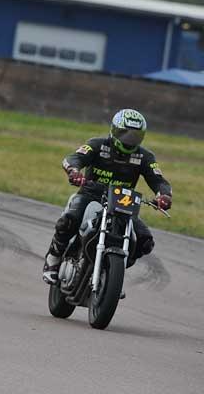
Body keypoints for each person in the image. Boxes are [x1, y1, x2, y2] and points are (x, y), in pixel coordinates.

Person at [42, 109, 172, 284]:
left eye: (134, 136)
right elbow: (73, 158)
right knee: (68, 221)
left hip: (123, 202)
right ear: (114, 129)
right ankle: (53, 259)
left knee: (145, 242)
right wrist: (74, 171)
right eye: (125, 134)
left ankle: (111, 276)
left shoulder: (145, 157)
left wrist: (164, 195)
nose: (129, 140)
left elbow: (158, 180)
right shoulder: (97, 145)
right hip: (90, 195)